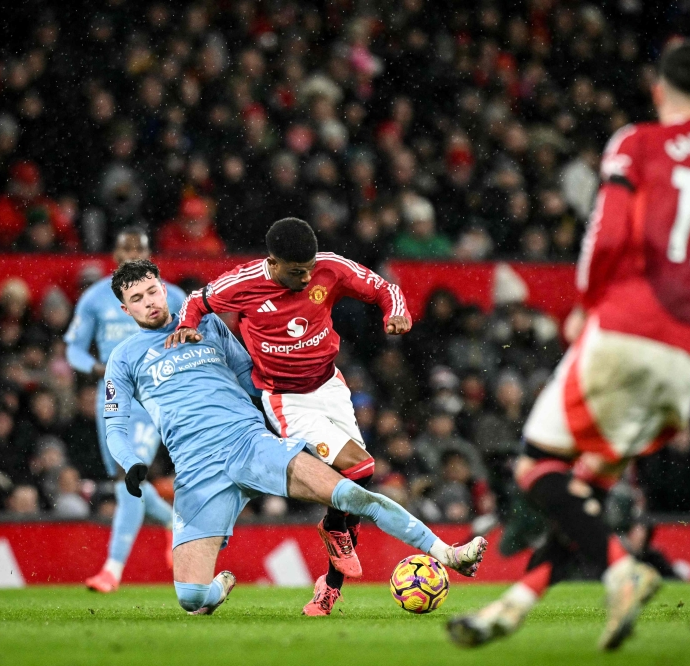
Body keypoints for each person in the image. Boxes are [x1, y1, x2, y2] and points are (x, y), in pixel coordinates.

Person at [448, 39, 690, 651]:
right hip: (689, 354)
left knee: (536, 467)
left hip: (626, 329)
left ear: (658, 88)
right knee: (583, 489)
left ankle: (621, 567)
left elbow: (607, 233)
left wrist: (586, 303)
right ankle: (511, 608)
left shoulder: (637, 142)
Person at [105, 259, 486, 615]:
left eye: (153, 291)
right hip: (196, 470)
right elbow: (115, 425)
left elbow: (247, 376)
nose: (149, 302)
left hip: (248, 444)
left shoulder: (207, 326)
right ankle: (218, 589)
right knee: (190, 599)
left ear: (163, 288)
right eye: (137, 299)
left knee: (353, 492)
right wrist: (132, 463)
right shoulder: (123, 358)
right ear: (126, 310)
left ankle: (448, 554)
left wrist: (297, 402)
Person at [167, 217, 412, 615]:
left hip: (330, 385)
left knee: (362, 478)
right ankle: (333, 536)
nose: (306, 278)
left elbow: (384, 288)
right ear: (273, 263)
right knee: (358, 468)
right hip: (286, 398)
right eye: (297, 272)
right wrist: (186, 327)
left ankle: (329, 585)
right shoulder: (242, 283)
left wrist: (395, 313)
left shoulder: (329, 267)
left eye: (309, 269)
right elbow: (196, 301)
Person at [64, 227, 186, 592]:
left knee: (126, 476)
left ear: (150, 254)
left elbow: (195, 337)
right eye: (125, 246)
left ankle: (112, 570)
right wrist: (99, 368)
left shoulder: (173, 296)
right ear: (114, 253)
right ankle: (171, 521)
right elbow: (74, 351)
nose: (132, 252)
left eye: (139, 247)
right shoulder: (95, 298)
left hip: (152, 397)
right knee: (124, 484)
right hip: (112, 394)